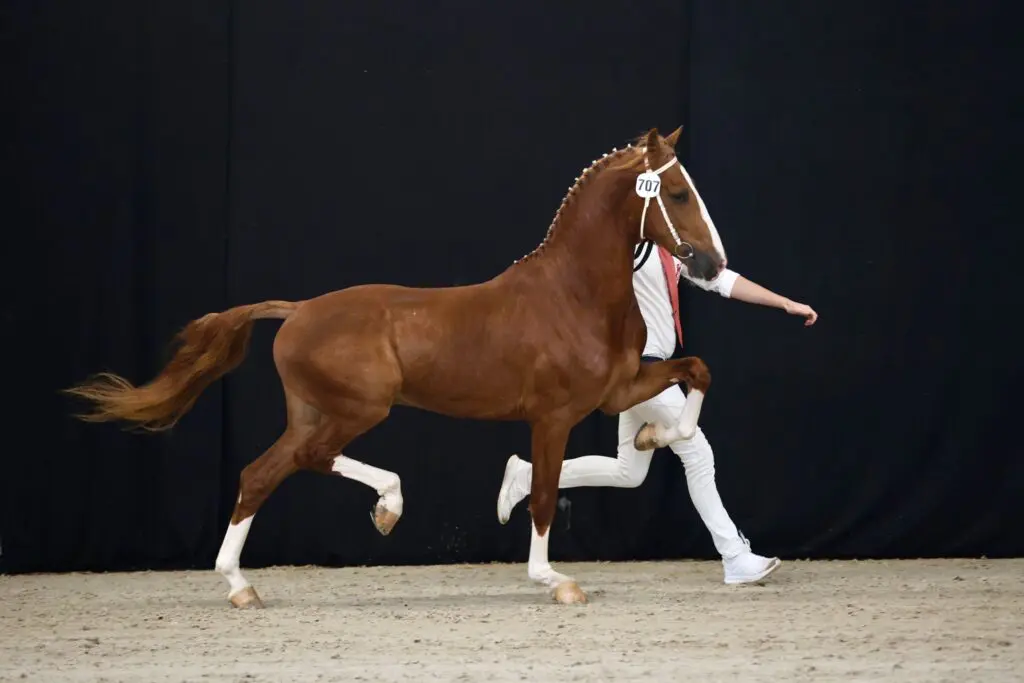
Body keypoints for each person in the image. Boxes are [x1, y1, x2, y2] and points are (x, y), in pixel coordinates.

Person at [496, 222, 818, 585]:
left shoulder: (670, 253)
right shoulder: (631, 248)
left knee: (628, 472)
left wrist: (783, 303)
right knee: (697, 453)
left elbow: (723, 281)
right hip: (644, 367)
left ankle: (528, 477)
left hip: (646, 366)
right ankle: (735, 556)